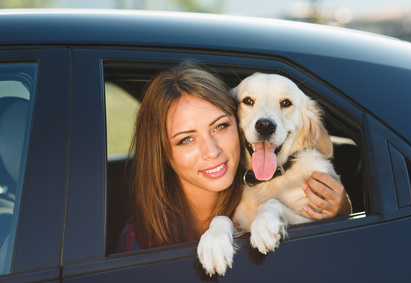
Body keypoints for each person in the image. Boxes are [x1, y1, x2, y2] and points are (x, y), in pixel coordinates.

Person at [117, 60, 352, 252]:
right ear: (162, 152)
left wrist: (342, 213)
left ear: (234, 122)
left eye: (219, 126)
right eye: (186, 139)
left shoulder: (265, 194)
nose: (212, 151)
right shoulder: (140, 240)